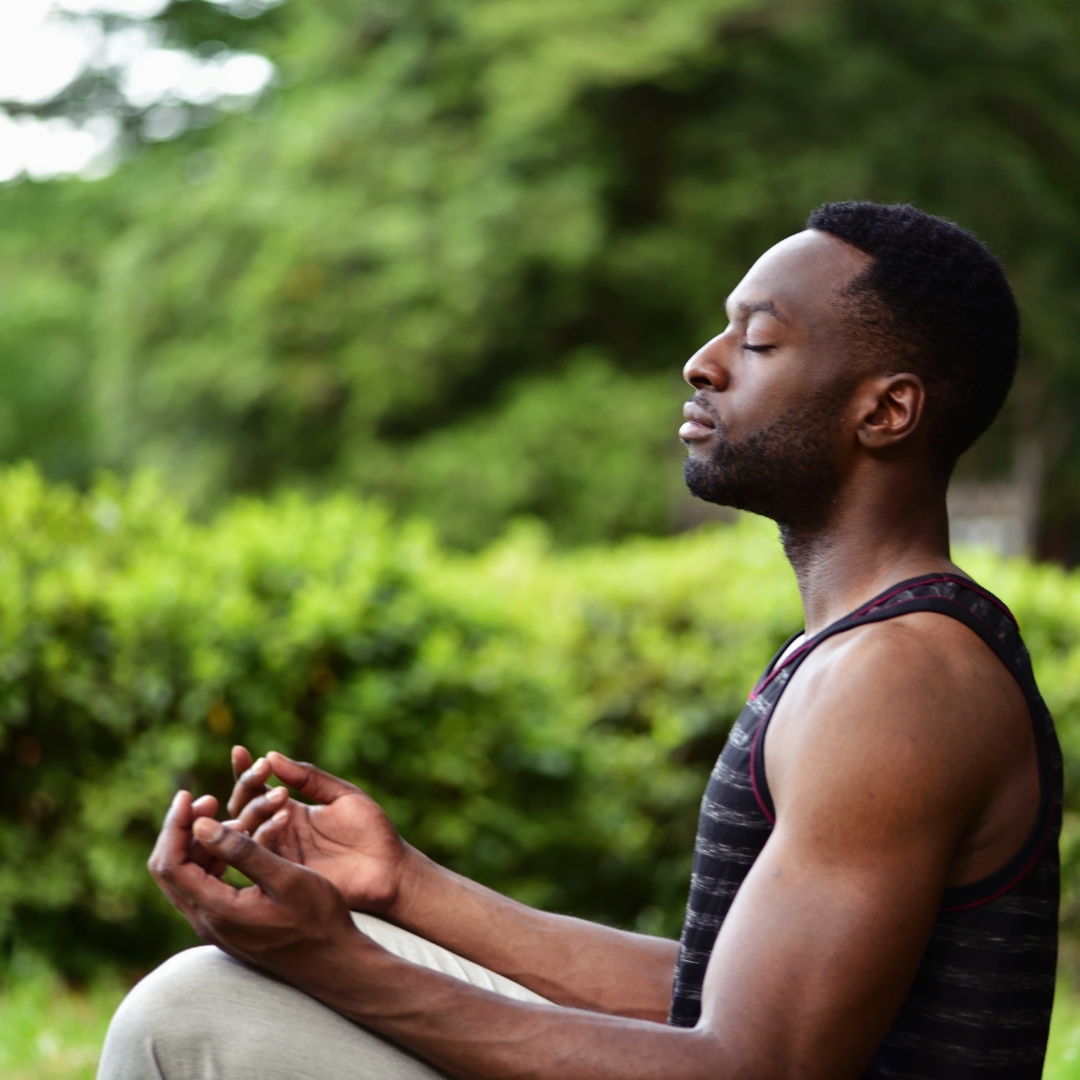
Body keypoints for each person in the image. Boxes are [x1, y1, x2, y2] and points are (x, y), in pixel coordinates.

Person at [98, 202, 1061, 1080]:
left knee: (195, 1014)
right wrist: (401, 887)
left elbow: (753, 1067)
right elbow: (714, 997)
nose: (705, 360)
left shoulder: (899, 680)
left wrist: (335, 960)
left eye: (758, 340)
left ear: (885, 411)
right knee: (224, 993)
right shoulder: (871, 651)